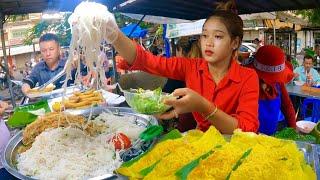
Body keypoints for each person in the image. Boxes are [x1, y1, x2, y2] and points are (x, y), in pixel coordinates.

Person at [100, 0, 259, 134]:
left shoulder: (248, 77)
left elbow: (246, 129)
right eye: (204, 35)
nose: (208, 42)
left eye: (218, 36)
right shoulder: (191, 67)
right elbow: (147, 61)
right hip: (201, 144)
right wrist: (112, 32)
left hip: (234, 150)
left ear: (235, 43)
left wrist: (203, 106)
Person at [245, 45, 296, 135]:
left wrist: (293, 130)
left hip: (272, 134)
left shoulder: (278, 84)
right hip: (250, 137)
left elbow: (288, 107)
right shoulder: (247, 84)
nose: (272, 81)